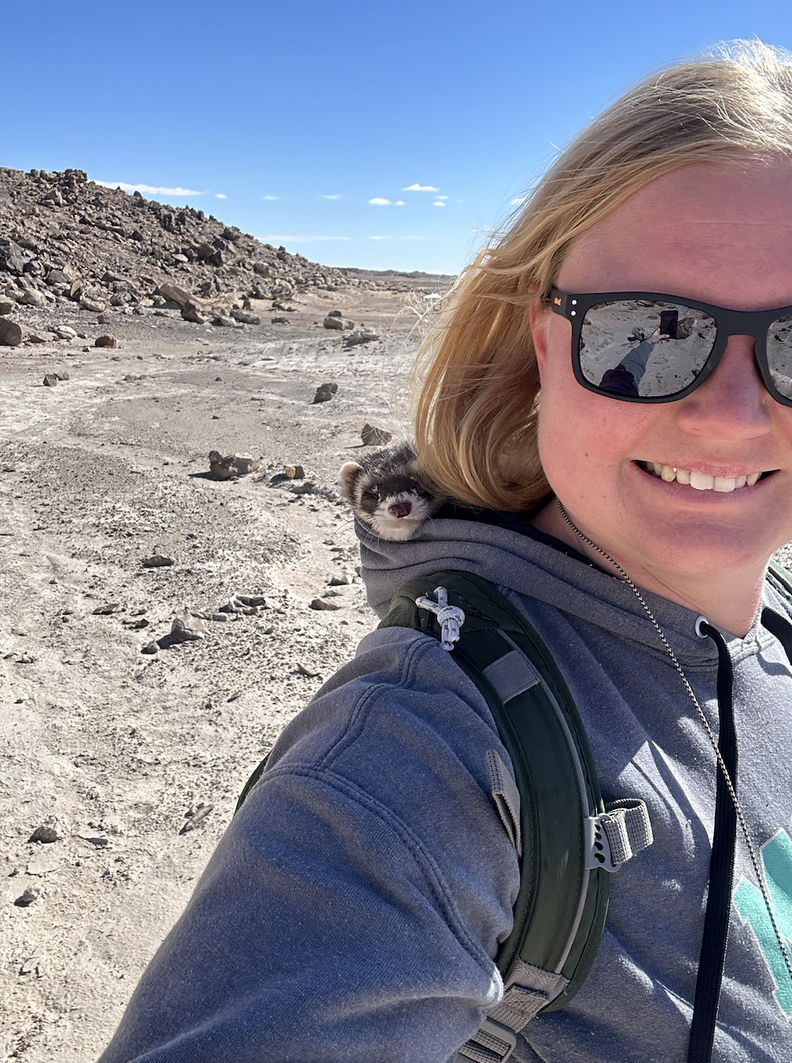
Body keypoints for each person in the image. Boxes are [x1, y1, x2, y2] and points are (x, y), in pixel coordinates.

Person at [98, 40, 792, 1063]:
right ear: (545, 344)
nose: (732, 417)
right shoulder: (424, 758)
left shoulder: (768, 622)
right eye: (647, 333)